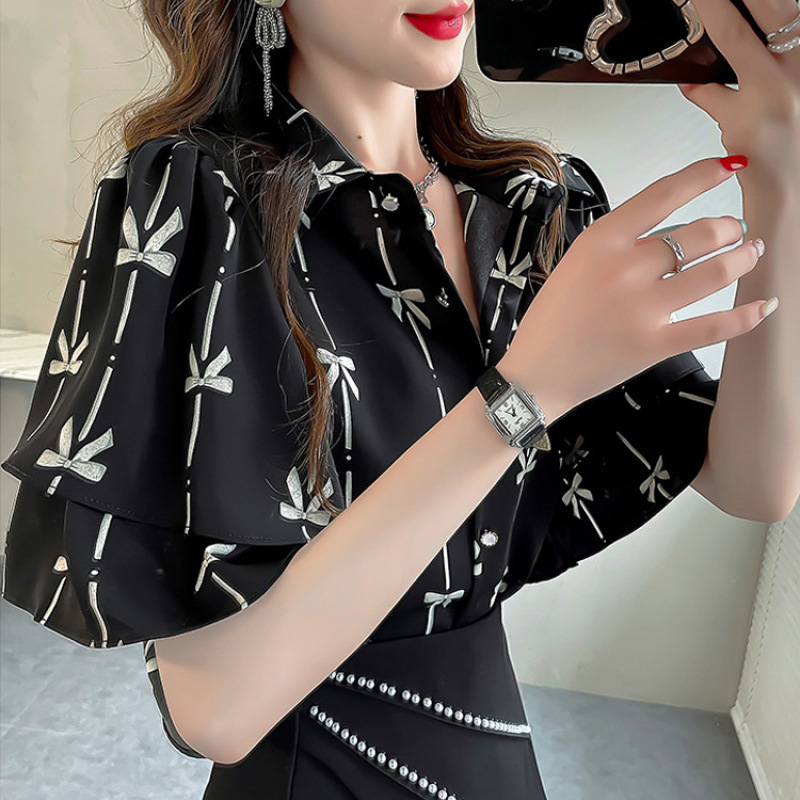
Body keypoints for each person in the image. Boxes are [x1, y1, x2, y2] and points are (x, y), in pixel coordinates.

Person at [2, 0, 797, 797]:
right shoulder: (200, 203)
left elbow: (754, 483)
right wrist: (522, 395)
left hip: (498, 764)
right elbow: (212, 711)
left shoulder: (531, 210)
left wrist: (780, 173)